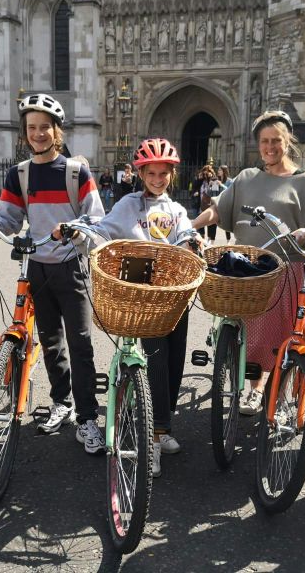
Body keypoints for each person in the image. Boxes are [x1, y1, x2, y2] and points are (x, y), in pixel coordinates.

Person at [53, 138, 194, 477]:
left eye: (164, 173)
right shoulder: (129, 205)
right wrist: (75, 231)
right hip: (142, 292)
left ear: (171, 175)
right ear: (141, 173)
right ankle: (153, 439)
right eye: (152, 173)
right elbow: (101, 229)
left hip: (173, 290)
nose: (158, 179)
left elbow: (187, 236)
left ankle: (163, 426)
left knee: (175, 360)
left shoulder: (175, 209)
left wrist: (193, 242)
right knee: (157, 360)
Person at [0, 93, 107, 454]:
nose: (38, 133)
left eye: (45, 127)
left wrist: (76, 227)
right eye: (32, 128)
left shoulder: (76, 172)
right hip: (37, 267)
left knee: (80, 344)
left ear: (56, 130)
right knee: (52, 343)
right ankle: (63, 402)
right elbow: (7, 219)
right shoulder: (19, 174)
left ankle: (88, 417)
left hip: (72, 267)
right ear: (25, 132)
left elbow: (97, 219)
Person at [192, 110, 305, 414]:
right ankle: (250, 381)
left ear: (287, 141)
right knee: (243, 330)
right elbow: (218, 210)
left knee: (270, 335)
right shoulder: (246, 178)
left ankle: (262, 390)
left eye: (275, 140)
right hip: (242, 264)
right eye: (264, 141)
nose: (269, 147)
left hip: (282, 266)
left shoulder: (304, 182)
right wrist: (192, 225)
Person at [199, 165, 223, 244]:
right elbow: (194, 187)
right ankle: (202, 240)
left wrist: (212, 184)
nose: (206, 173)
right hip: (201, 205)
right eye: (205, 171)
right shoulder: (200, 180)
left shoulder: (214, 180)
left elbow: (216, 192)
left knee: (211, 223)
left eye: (209, 172)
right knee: (200, 223)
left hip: (211, 204)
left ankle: (210, 241)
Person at [217, 165, 232, 241]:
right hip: (218, 202)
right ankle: (211, 239)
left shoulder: (229, 181)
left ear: (224, 171)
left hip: (226, 203)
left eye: (220, 170)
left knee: (225, 222)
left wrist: (221, 185)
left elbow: (229, 191)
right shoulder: (217, 180)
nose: (218, 172)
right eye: (218, 170)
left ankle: (228, 240)